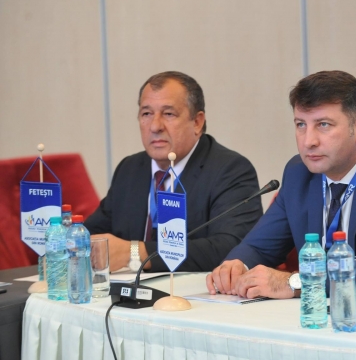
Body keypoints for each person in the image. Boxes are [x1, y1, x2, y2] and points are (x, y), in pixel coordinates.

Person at [206, 70, 356, 299]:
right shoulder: (298, 172)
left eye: (323, 125)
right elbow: (259, 247)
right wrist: (236, 265)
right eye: (301, 124)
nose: (308, 141)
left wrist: (296, 283)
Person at [85, 71, 263, 272]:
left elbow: (232, 247)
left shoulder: (231, 170)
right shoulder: (130, 169)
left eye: (168, 114)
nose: (155, 126)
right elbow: (93, 233)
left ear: (197, 122)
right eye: (146, 114)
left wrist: (135, 253)